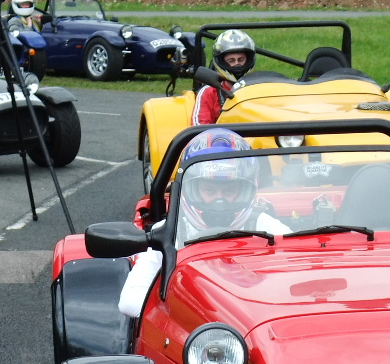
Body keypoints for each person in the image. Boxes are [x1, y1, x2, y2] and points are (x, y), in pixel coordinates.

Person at [117, 128, 288, 317]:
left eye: (229, 191)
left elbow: (295, 278)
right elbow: (129, 300)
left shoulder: (267, 226)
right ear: (190, 189)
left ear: (246, 190)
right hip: (196, 328)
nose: (219, 201)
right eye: (209, 190)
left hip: (253, 322)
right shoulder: (168, 232)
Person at [192, 29, 257, 127]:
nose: (237, 64)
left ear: (248, 60)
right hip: (222, 141)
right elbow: (199, 127)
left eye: (241, 60)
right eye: (231, 60)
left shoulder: (260, 88)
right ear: (221, 62)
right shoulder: (209, 92)